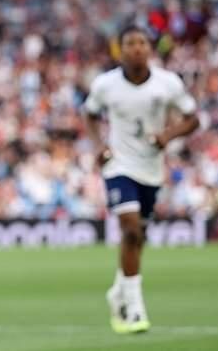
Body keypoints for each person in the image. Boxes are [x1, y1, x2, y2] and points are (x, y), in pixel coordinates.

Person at [84, 26, 199, 334]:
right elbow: (90, 115)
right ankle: (134, 309)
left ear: (150, 48)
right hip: (118, 166)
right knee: (131, 230)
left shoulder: (168, 83)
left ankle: (118, 291)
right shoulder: (105, 85)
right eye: (129, 43)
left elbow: (192, 118)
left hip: (151, 169)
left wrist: (168, 135)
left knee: (138, 238)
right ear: (119, 49)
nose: (136, 48)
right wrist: (99, 146)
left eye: (141, 43)